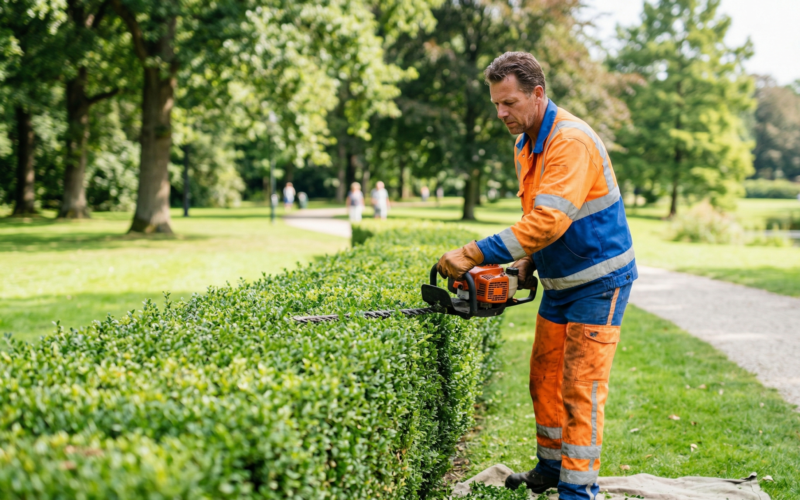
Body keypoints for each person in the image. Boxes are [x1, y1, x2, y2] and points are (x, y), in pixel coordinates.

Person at [436, 52, 636, 500]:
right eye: (496, 105)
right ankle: (551, 467)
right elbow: (539, 214)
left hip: (599, 282)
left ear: (537, 94)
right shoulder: (525, 142)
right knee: (543, 377)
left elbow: (548, 220)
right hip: (561, 282)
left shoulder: (570, 141)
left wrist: (472, 253)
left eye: (508, 103)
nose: (501, 113)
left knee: (580, 388)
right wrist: (529, 261)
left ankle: (578, 490)